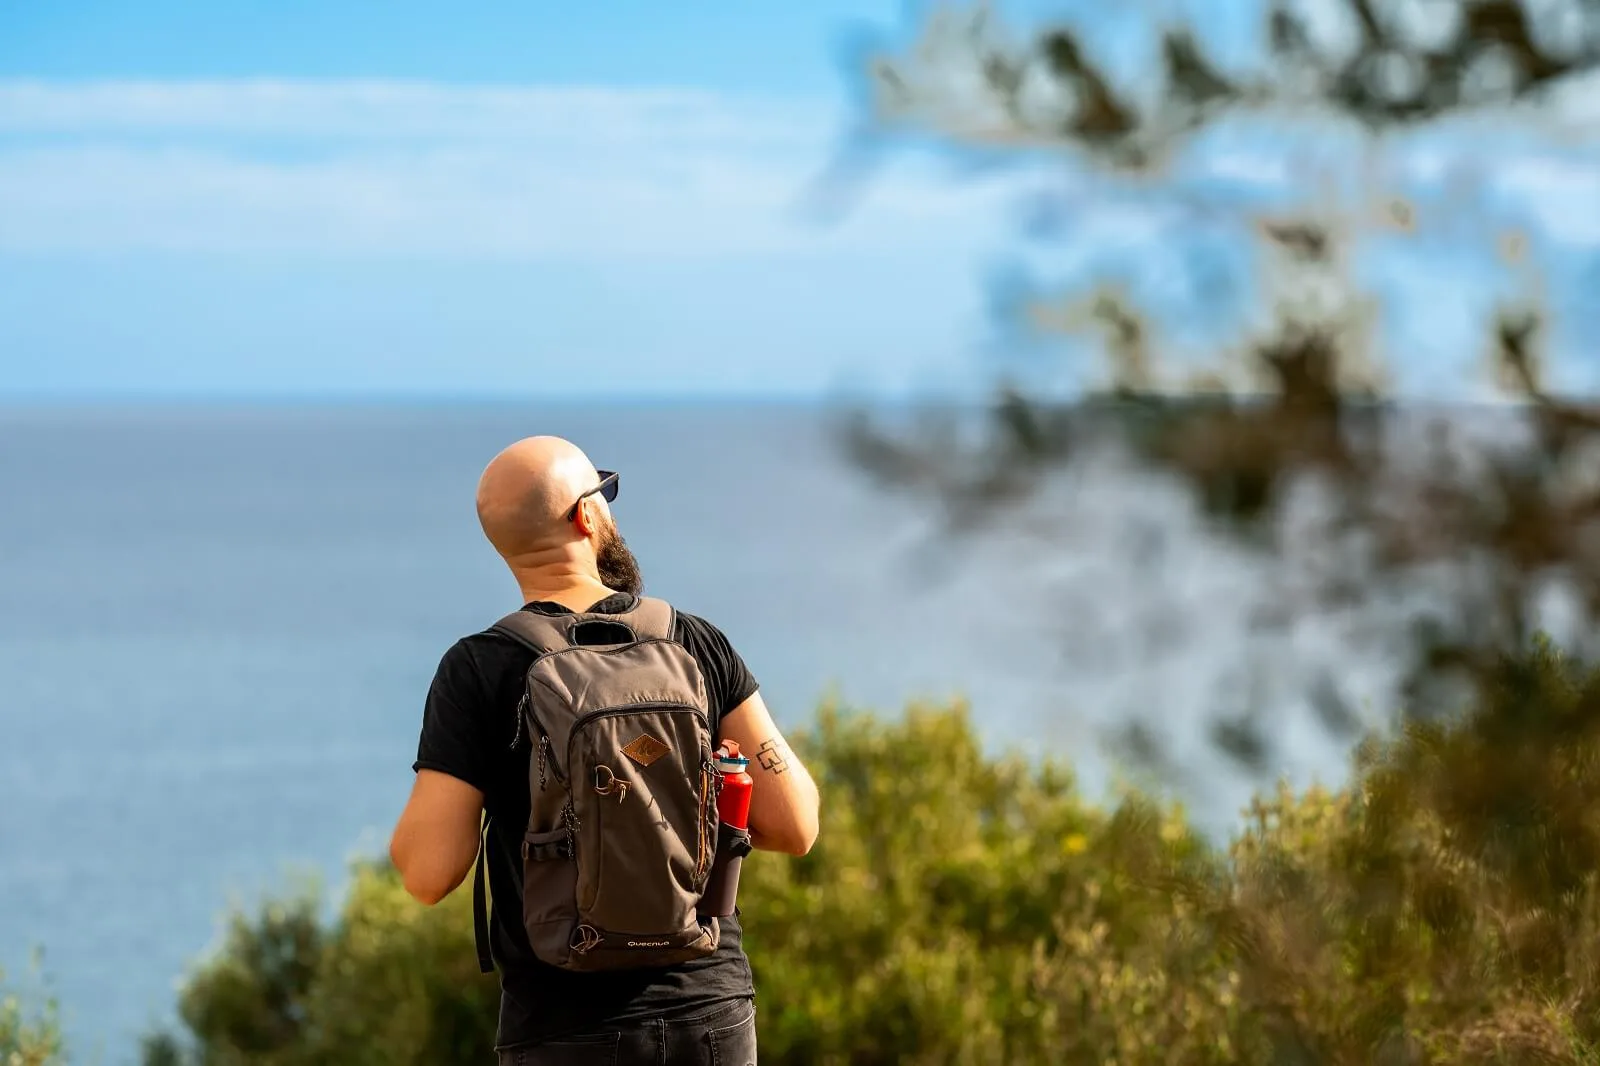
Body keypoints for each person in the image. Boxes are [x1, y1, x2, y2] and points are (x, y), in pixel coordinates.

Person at [388, 435, 820, 1065]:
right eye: (605, 493)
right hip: (710, 1013)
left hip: (564, 1028)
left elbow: (427, 874)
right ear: (585, 516)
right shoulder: (694, 642)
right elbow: (795, 824)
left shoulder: (479, 669)